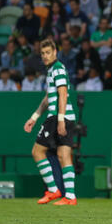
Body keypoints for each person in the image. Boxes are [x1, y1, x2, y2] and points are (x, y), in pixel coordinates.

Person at [23, 39, 78, 205]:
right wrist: (34, 116)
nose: (45, 56)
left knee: (37, 152)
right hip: (66, 117)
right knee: (63, 155)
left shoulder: (58, 69)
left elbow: (63, 94)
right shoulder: (52, 70)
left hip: (57, 118)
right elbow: (48, 98)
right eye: (43, 53)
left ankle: (54, 190)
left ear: (55, 52)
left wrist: (60, 119)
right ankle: (70, 197)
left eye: (48, 53)